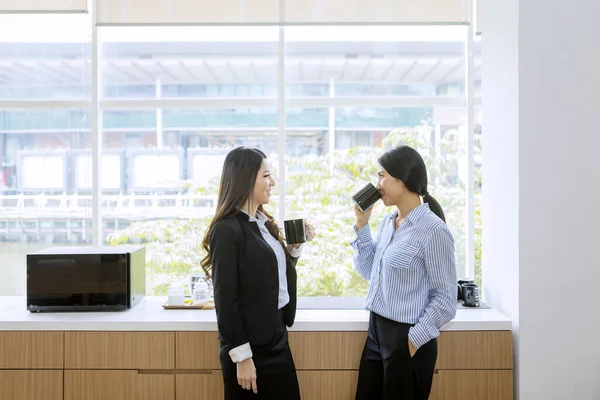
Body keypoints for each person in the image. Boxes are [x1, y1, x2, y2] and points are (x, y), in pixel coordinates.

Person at [200, 146, 315, 400]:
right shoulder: (226, 230)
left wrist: (293, 250)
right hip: (249, 348)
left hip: (276, 337)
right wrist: (242, 357)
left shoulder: (263, 224)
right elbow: (225, 301)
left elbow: (273, 277)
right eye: (266, 176)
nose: (272, 182)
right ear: (245, 178)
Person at [351, 145, 457, 400]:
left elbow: (445, 300)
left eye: (382, 175)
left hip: (406, 338)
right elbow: (369, 271)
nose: (377, 184)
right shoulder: (389, 222)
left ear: (403, 180)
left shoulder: (433, 230)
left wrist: (410, 343)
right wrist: (362, 225)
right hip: (376, 331)